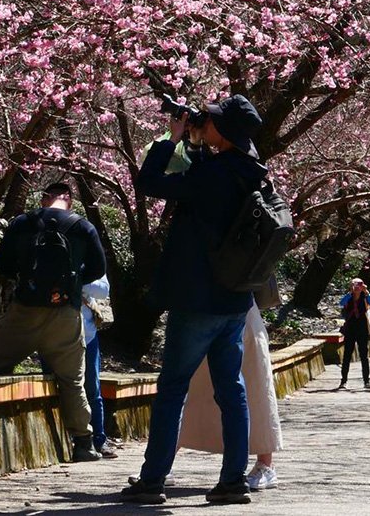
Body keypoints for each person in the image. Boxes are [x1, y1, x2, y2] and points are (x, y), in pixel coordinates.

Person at [121, 94, 267, 506]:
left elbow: (149, 182)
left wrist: (173, 138)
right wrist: (197, 140)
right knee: (231, 390)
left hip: (198, 300)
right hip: (235, 300)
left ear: (224, 131)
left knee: (172, 389)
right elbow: (205, 171)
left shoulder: (213, 176)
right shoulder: (252, 170)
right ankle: (233, 480)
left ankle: (152, 481)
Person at [0, 181, 106, 462]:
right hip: (65, 315)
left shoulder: (22, 223)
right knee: (73, 381)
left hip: (24, 311)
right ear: (70, 202)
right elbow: (99, 269)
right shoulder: (83, 227)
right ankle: (84, 443)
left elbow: (3, 264)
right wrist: (72, 283)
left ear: (44, 198)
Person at [177, 305, 283, 491]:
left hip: (241, 303)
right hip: (203, 305)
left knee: (254, 383)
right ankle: (161, 463)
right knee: (193, 386)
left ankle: (265, 465)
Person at [47, 273, 120, 459]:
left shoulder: (92, 258)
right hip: (55, 335)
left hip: (88, 336)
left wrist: (78, 282)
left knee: (92, 389)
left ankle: (98, 440)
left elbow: (103, 291)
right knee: (57, 388)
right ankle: (69, 440)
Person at [338, 278, 370, 389]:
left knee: (364, 355)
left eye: (359, 285)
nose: (357, 287)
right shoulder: (349, 297)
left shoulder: (365, 297)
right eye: (355, 285)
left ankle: (366, 381)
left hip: (362, 329)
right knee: (347, 355)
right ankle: (343, 381)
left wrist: (367, 292)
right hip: (350, 329)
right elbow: (342, 302)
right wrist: (351, 292)